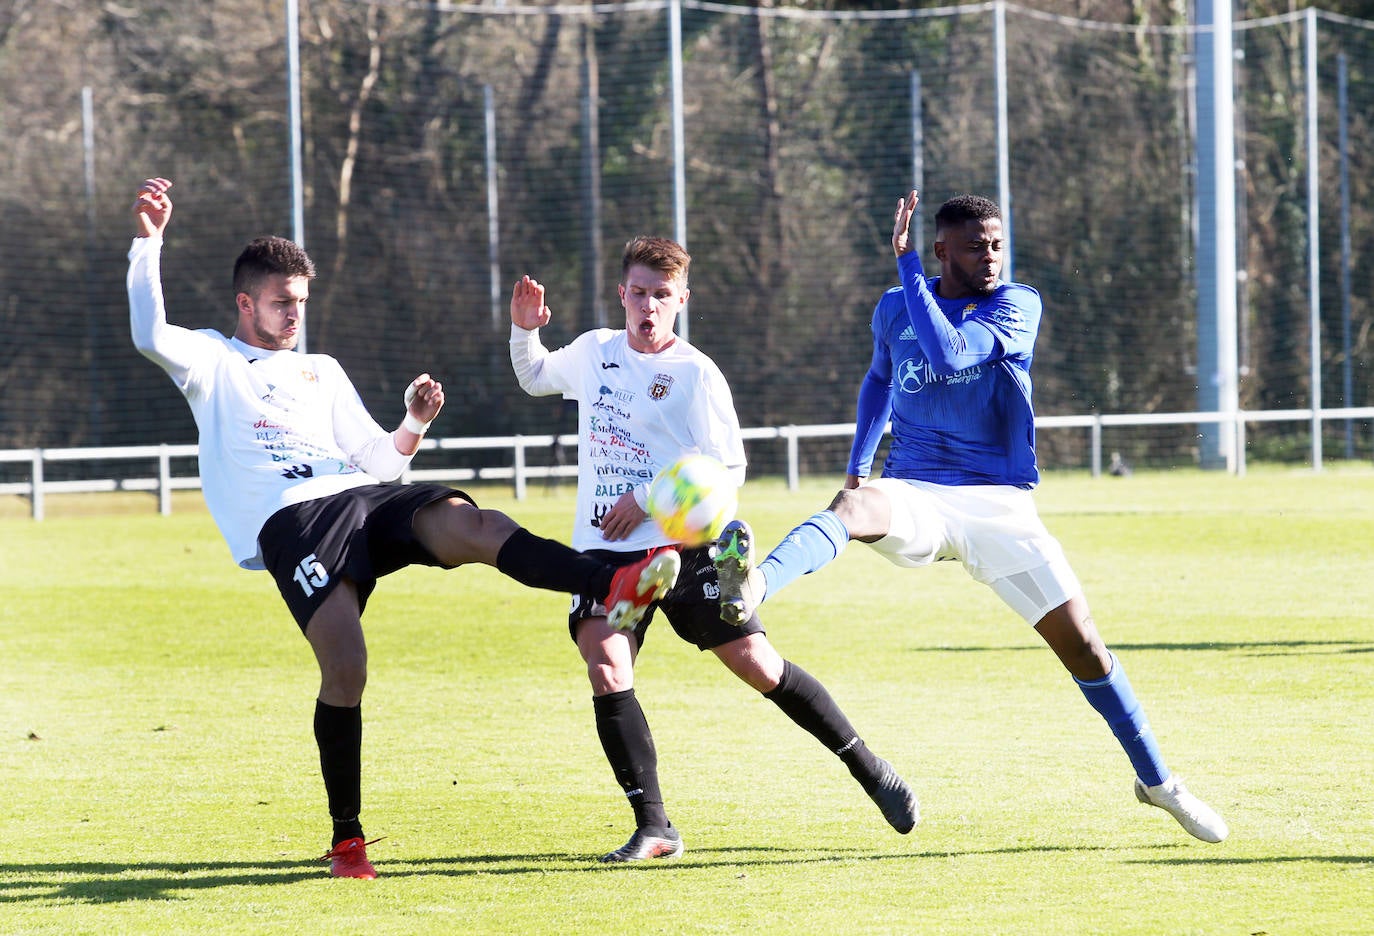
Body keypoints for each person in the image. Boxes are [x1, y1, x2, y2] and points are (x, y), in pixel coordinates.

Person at [126, 177, 680, 879]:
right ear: (245, 303)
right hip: (291, 524)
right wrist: (149, 242)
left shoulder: (320, 370)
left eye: (301, 301)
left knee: (471, 525)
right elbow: (148, 332)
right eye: (281, 303)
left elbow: (379, 465)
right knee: (347, 667)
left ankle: (616, 580)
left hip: (360, 497)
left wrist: (414, 422)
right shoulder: (212, 360)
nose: (295, 315)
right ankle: (347, 838)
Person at [714, 191, 1229, 844]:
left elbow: (950, 354)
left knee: (1086, 648)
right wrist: (858, 461)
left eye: (996, 243)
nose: (990, 256)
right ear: (942, 251)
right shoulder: (894, 307)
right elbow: (881, 377)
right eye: (975, 245)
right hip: (918, 490)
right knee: (851, 507)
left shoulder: (1017, 304)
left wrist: (903, 266)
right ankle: (753, 585)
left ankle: (1159, 783)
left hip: (999, 506)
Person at [508, 236, 919, 863]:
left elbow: (728, 469)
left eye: (662, 296)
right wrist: (523, 331)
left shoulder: (696, 374)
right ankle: (656, 828)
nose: (648, 306)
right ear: (622, 293)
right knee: (606, 665)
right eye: (639, 293)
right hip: (602, 552)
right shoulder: (594, 352)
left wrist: (647, 500)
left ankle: (870, 767)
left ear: (682, 300)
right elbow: (535, 376)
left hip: (682, 547)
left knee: (761, 666)